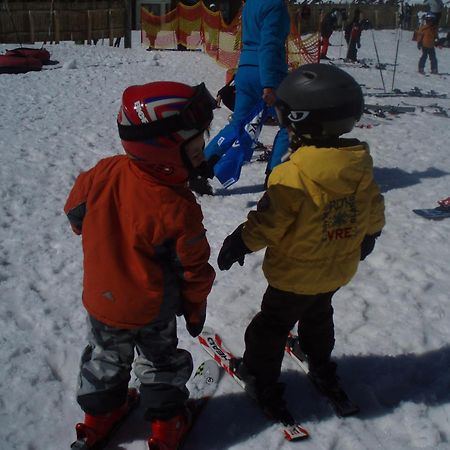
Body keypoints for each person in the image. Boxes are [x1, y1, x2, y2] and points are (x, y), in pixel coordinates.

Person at [216, 64, 385, 420]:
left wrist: (240, 242)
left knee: (271, 326)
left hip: (292, 277)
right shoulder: (358, 165)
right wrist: (370, 235)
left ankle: (261, 378)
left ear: (300, 121)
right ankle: (318, 359)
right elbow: (373, 207)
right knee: (319, 314)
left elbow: (269, 222)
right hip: (337, 269)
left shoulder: (292, 174)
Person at [64, 81, 217, 450]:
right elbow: (193, 271)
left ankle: (98, 418)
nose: (202, 154)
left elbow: (74, 213)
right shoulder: (178, 209)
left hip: (102, 303)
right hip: (152, 311)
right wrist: (195, 309)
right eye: (195, 147)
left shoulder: (102, 173)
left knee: (105, 359)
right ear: (163, 152)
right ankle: (166, 426)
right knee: (159, 363)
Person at [202, 0, 291, 193]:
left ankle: (201, 167)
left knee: (237, 124)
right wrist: (268, 83)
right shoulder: (275, 5)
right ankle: (275, 176)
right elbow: (269, 44)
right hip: (268, 73)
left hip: (246, 70)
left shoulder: (251, 4)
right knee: (288, 124)